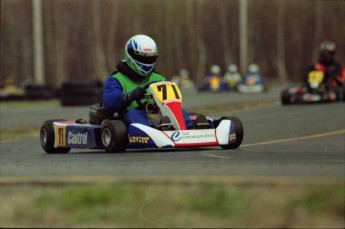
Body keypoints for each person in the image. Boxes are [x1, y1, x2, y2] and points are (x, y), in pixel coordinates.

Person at [103, 34, 205, 129]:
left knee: (178, 110)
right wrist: (130, 96)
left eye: (150, 58)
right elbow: (110, 103)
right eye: (142, 58)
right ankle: (152, 133)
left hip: (158, 116)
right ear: (131, 55)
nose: (146, 62)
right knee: (134, 113)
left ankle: (190, 128)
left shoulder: (158, 78)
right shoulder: (117, 79)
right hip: (127, 119)